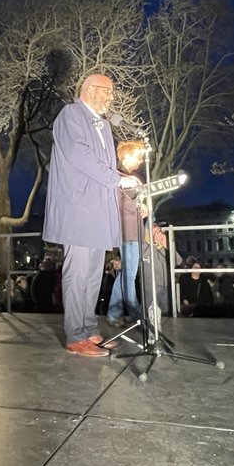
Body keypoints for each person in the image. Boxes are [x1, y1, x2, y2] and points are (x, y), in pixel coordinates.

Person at [43, 74, 139, 357]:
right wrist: (117, 179)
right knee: (78, 273)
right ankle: (75, 336)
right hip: (78, 210)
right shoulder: (71, 114)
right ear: (89, 90)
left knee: (93, 275)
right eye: (108, 91)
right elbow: (80, 156)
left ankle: (88, 330)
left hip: (99, 212)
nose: (111, 97)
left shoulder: (104, 125)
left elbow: (102, 166)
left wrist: (123, 179)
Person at [106, 139, 146, 327]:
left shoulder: (129, 178)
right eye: (138, 156)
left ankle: (114, 314)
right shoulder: (119, 178)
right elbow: (119, 206)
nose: (141, 161)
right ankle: (136, 314)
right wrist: (140, 205)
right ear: (127, 155)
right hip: (128, 233)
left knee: (126, 275)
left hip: (133, 232)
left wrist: (143, 206)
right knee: (129, 276)